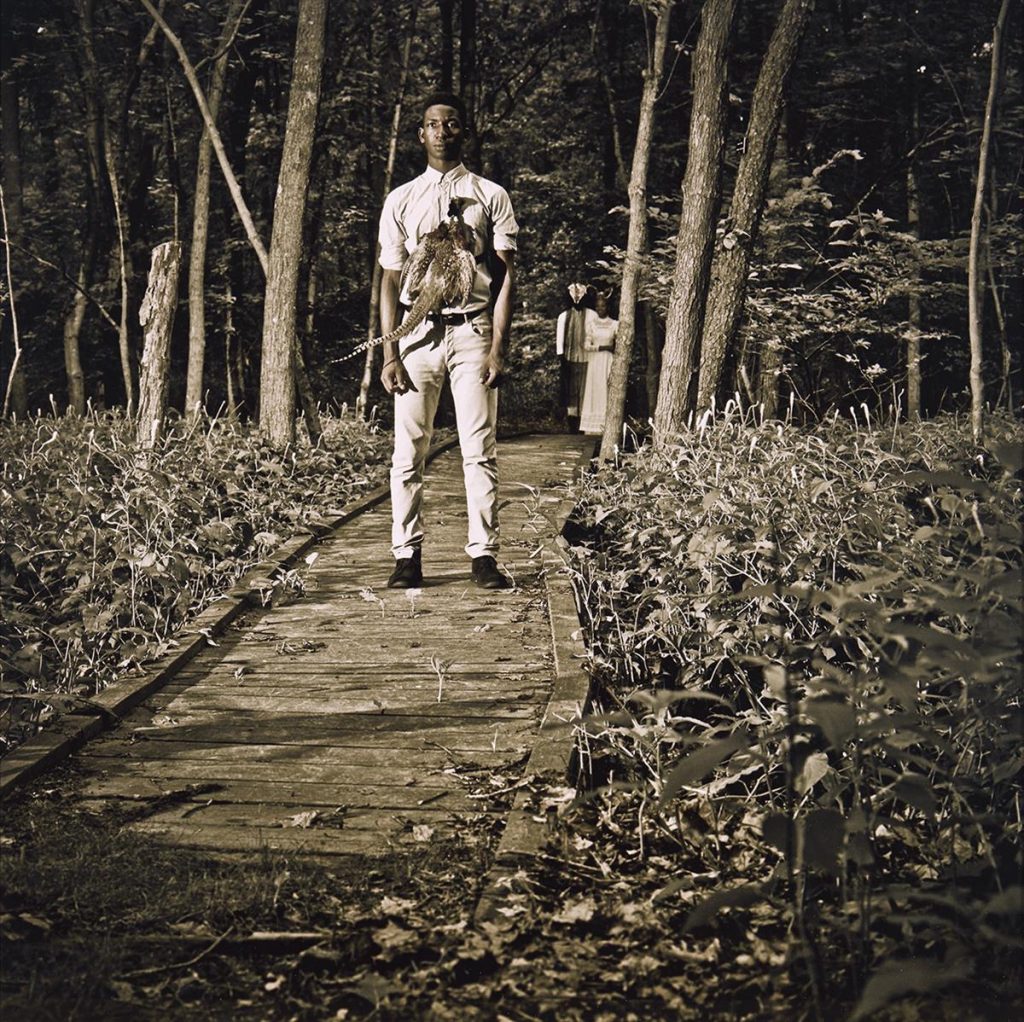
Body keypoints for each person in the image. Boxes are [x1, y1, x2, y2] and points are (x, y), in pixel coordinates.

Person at [378, 91, 518, 590]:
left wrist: (498, 346)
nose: (442, 131)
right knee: (408, 450)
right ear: (421, 134)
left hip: (473, 330)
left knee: (478, 447)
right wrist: (390, 350)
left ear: (464, 131)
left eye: (451, 123)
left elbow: (504, 278)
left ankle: (483, 556)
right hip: (417, 337)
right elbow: (390, 282)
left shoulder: (490, 195)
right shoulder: (401, 199)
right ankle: (406, 557)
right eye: (433, 124)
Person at [578, 289, 617, 435]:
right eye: (598, 306)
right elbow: (586, 346)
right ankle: (592, 427)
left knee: (606, 389)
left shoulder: (615, 324)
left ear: (608, 307)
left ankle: (607, 424)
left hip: (608, 361)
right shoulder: (592, 324)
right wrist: (603, 347)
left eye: (603, 306)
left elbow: (618, 346)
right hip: (595, 362)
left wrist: (612, 349)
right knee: (595, 390)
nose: (600, 309)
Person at [555, 282, 590, 430]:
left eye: (580, 299)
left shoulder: (591, 315)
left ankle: (584, 420)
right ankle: (572, 423)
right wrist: (561, 355)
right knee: (570, 391)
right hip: (569, 358)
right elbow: (559, 337)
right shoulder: (564, 316)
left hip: (587, 358)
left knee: (584, 390)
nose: (577, 302)